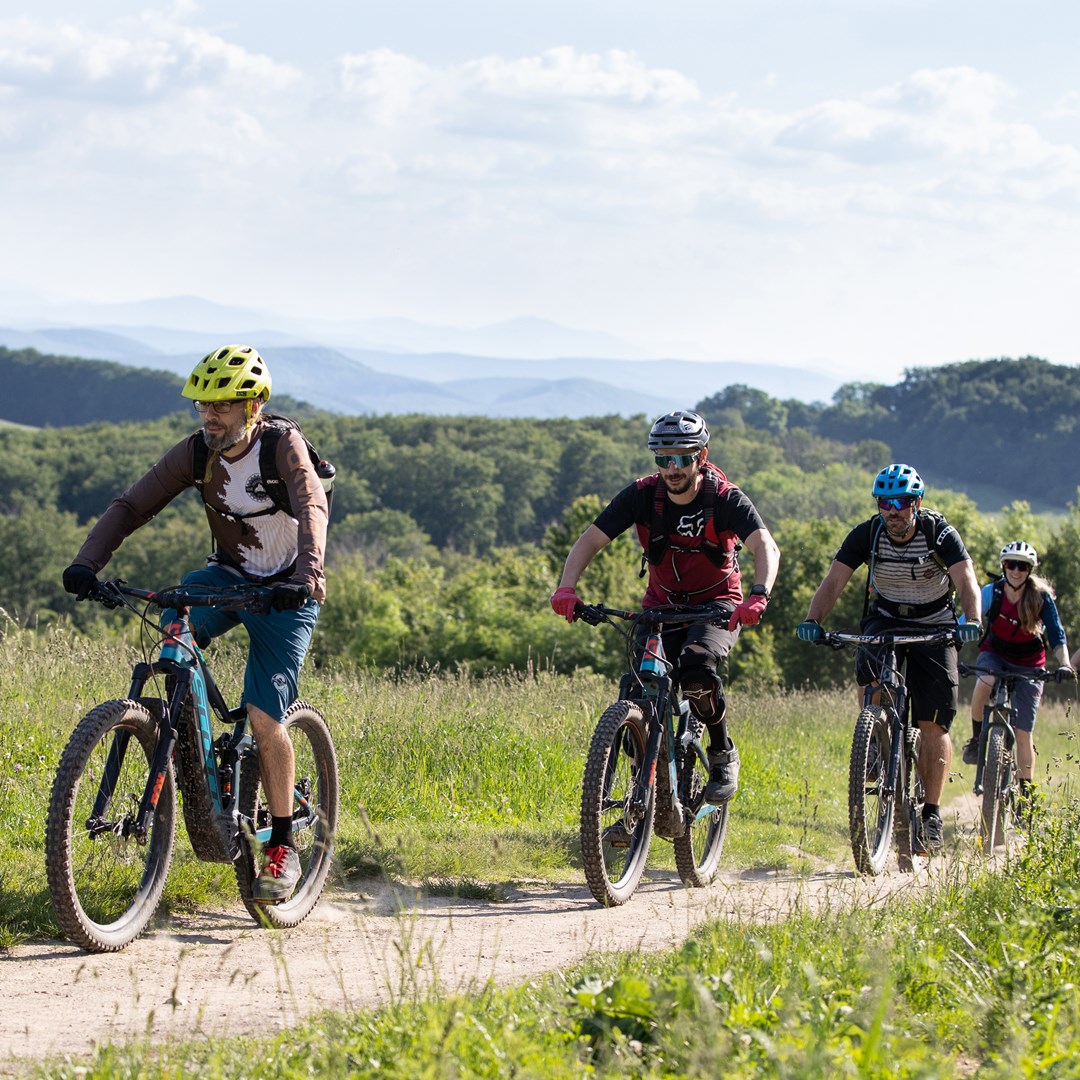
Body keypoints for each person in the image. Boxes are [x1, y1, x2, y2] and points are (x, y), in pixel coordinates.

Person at [61, 344, 328, 902]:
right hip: (226, 577)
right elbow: (132, 506)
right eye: (203, 405)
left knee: (262, 716)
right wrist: (89, 563)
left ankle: (283, 844)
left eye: (224, 405)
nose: (210, 415)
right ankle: (183, 746)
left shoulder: (282, 447)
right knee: (170, 636)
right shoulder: (195, 454)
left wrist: (307, 576)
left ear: (254, 404)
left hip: (286, 592)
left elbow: (311, 507)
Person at [549, 409, 780, 805]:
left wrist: (759, 595)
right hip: (661, 606)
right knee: (640, 685)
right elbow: (589, 540)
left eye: (682, 458)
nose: (672, 468)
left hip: (717, 605)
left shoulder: (723, 499)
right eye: (663, 459)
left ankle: (722, 750)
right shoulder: (642, 495)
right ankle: (645, 787)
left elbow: (765, 546)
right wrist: (567, 588)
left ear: (701, 457)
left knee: (695, 669)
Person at [796, 463, 982, 854]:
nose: (892, 510)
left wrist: (973, 620)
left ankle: (930, 814)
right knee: (870, 669)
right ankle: (877, 739)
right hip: (886, 616)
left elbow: (967, 581)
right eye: (884, 502)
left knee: (933, 723)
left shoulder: (939, 533)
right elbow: (834, 581)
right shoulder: (868, 533)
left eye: (900, 502)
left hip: (934, 624)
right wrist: (813, 619)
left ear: (916, 503)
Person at [963, 541, 1073, 802]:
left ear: (1029, 569)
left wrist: (1065, 664)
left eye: (1022, 566)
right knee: (985, 681)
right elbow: (968, 620)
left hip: (1030, 663)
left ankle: (1026, 797)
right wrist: (953, 644)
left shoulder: (1040, 598)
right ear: (1003, 566)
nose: (1015, 570)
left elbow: (1056, 635)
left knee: (1023, 732)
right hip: (996, 654)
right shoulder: (993, 592)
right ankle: (977, 739)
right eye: (1010, 564)